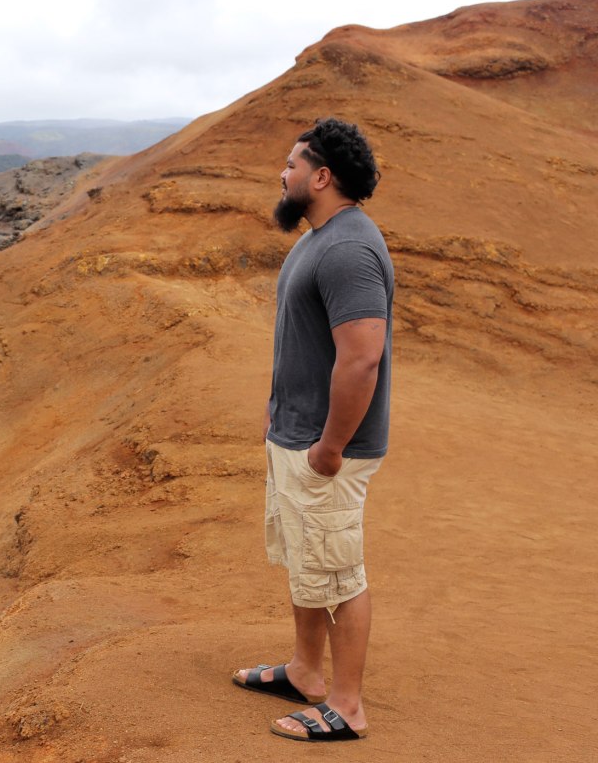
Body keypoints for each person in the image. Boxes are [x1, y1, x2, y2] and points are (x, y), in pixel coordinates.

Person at [232, 118, 393, 742]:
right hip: (296, 436)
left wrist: (329, 445)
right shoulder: (317, 238)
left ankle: (347, 707)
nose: (283, 173)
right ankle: (305, 670)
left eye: (292, 164)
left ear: (321, 177)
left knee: (339, 571)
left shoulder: (348, 248)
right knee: (307, 561)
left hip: (327, 449)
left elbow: (361, 357)